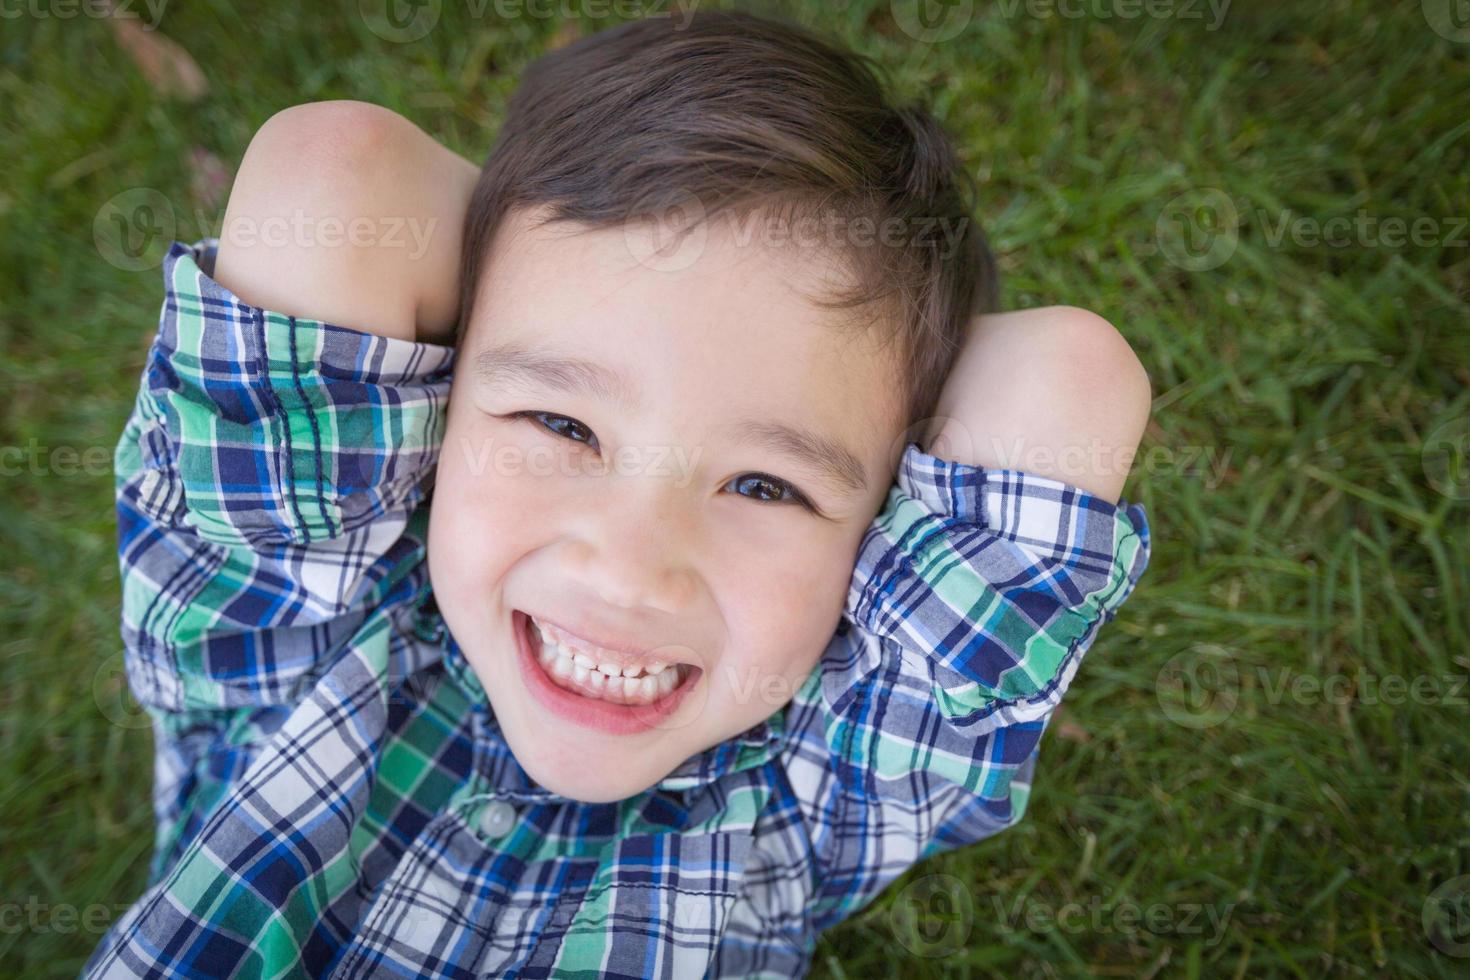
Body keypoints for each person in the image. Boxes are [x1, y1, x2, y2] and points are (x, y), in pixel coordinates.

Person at [88, 10, 1151, 977]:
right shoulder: (283, 639)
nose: (630, 564)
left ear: (889, 523)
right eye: (560, 424)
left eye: (766, 483)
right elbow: (339, 173)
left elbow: (1071, 377)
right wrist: (532, 245)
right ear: (447, 378)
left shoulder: (816, 790)